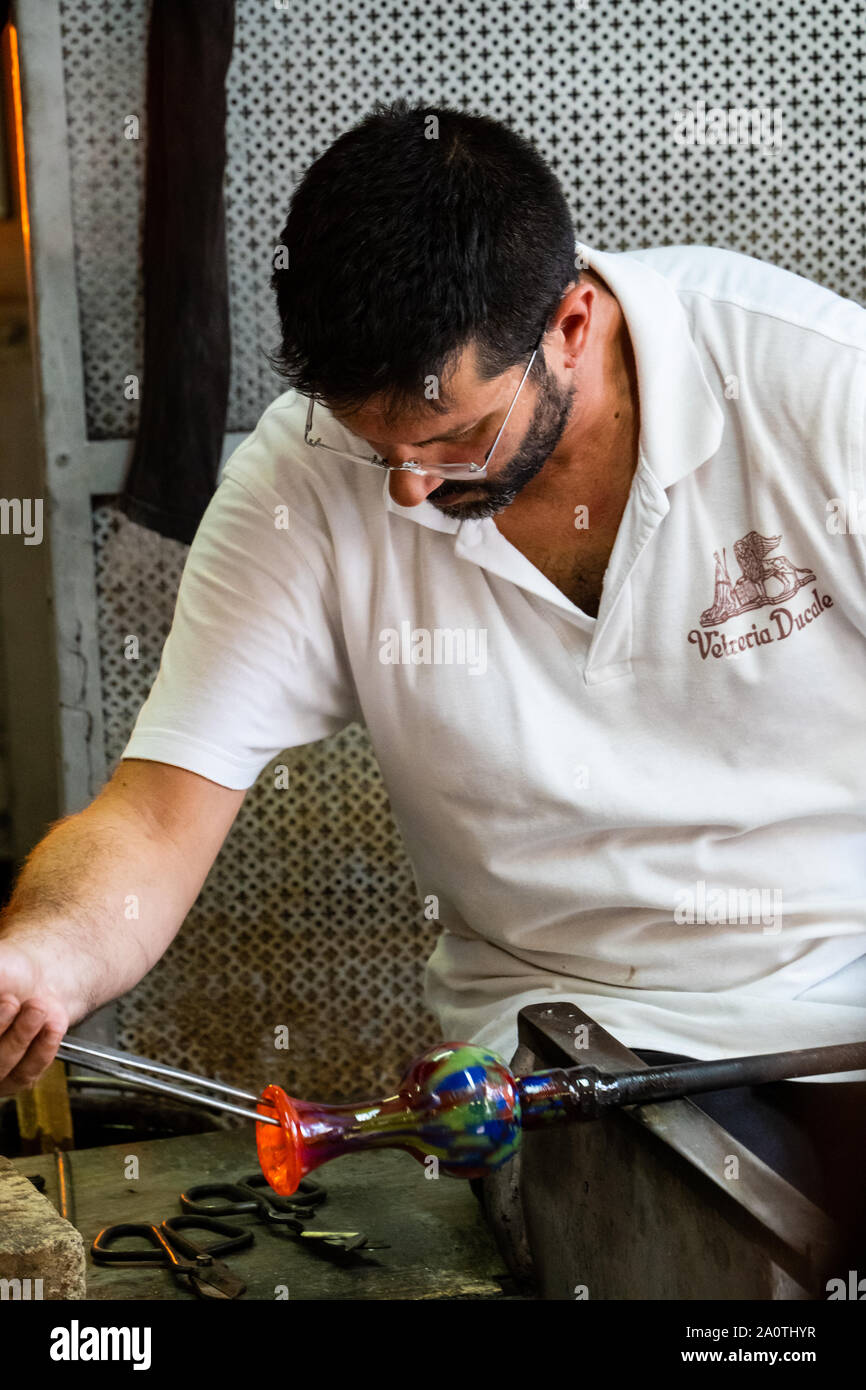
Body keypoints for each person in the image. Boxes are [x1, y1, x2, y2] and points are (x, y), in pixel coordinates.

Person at [1, 100, 864, 1239]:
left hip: (842, 996)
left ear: (568, 323)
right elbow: (156, 820)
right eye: (372, 444)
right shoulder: (294, 490)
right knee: (726, 1265)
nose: (405, 487)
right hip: (566, 1044)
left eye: (452, 436)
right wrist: (40, 958)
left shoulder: (818, 391)